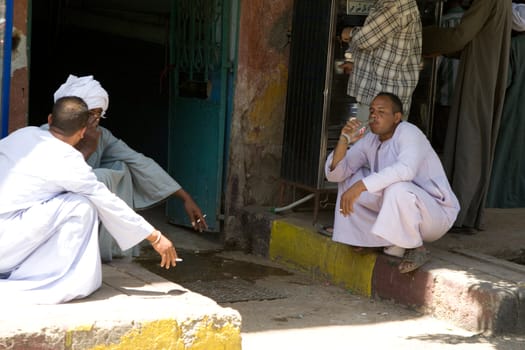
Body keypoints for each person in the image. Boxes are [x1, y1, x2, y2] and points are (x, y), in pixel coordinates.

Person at [0, 96, 179, 304]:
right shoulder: (68, 159)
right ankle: (50, 280)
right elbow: (107, 201)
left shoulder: (23, 135)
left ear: (49, 120)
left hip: (9, 236)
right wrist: (155, 237)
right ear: (83, 131)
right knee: (81, 205)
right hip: (6, 243)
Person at [48, 74, 207, 262]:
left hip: (90, 203)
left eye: (99, 114)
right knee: (101, 177)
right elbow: (60, 179)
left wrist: (185, 198)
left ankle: (108, 249)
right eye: (90, 114)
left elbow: (139, 162)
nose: (95, 121)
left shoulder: (102, 136)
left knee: (121, 168)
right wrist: (88, 148)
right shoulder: (47, 136)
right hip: (55, 210)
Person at [325, 92, 460, 273]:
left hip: (435, 214)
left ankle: (416, 248)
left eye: (381, 112)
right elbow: (337, 173)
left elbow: (406, 170)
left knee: (397, 188)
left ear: (397, 117)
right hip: (400, 203)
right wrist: (344, 140)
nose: (374, 116)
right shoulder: (370, 139)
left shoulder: (409, 132)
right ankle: (368, 240)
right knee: (349, 179)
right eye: (372, 111)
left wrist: (361, 186)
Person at [422, 0, 512, 231]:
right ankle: (465, 213)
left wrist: (417, 36)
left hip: (478, 74)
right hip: (485, 70)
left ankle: (459, 214)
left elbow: (459, 37)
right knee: (474, 140)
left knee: (468, 140)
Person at [339, 0, 422, 123]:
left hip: (382, 100)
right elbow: (383, 50)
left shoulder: (395, 4)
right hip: (384, 98)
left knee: (371, 141)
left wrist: (349, 32)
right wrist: (357, 66)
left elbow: (365, 40)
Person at [432, 0, 465, 152]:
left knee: (443, 140)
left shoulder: (442, 22)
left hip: (446, 91)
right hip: (467, 92)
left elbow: (436, 62)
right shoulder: (472, 22)